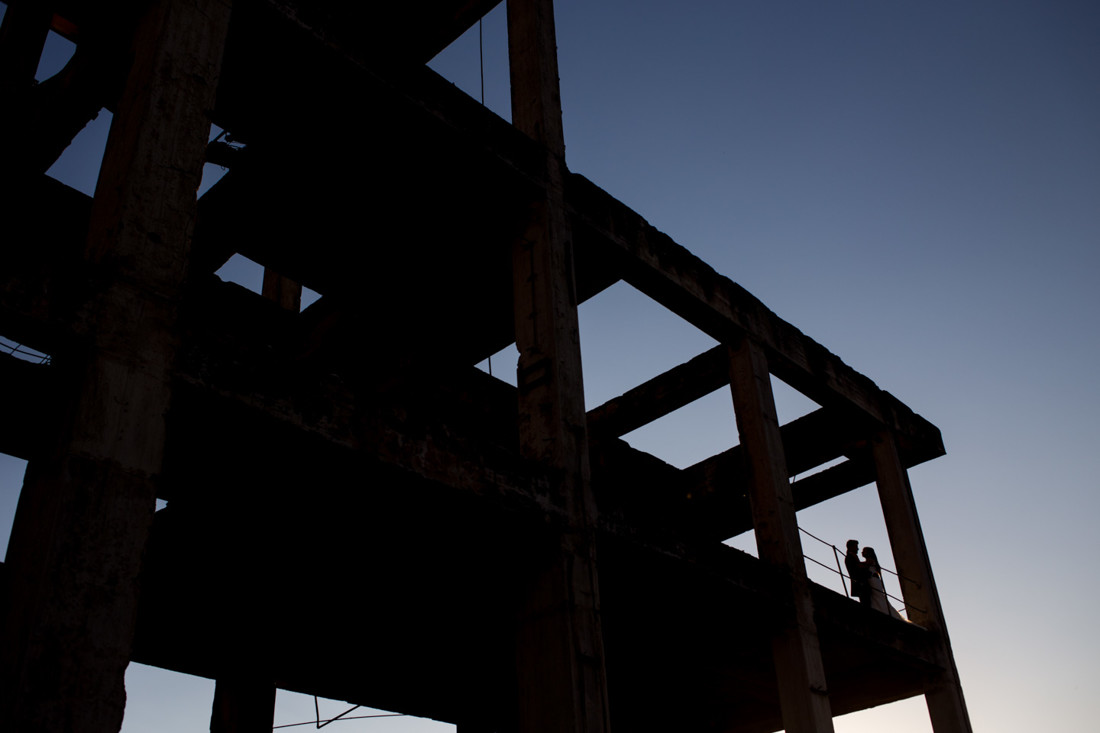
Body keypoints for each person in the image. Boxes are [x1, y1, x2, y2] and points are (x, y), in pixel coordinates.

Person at [861, 546, 904, 620]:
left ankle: (885, 611)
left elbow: (861, 565)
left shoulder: (870, 560)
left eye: (864, 551)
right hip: (874, 580)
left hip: (873, 580)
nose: (862, 552)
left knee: (878, 595)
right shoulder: (873, 561)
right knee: (877, 596)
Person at [844, 540, 872, 606]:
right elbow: (857, 569)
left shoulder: (852, 556)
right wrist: (867, 565)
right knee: (866, 603)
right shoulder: (850, 557)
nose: (858, 548)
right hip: (860, 584)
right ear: (851, 547)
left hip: (861, 584)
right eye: (856, 546)